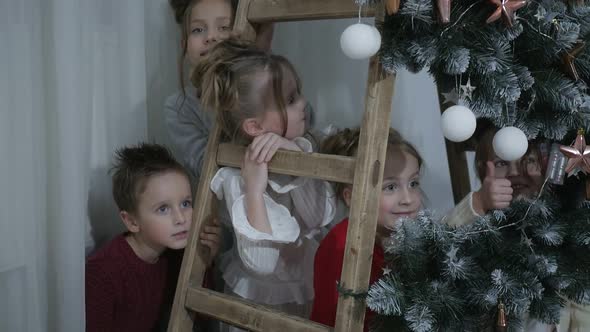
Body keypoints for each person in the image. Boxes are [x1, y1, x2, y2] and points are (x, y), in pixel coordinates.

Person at [194, 37, 336, 330]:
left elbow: (320, 216)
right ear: (255, 127)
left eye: (299, 94)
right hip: (254, 311)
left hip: (302, 298)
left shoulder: (303, 148)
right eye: (291, 99)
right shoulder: (236, 178)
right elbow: (262, 263)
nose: (304, 104)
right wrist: (255, 191)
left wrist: (298, 157)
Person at [85, 143, 221, 332]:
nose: (181, 219)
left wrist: (204, 262)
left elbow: (203, 316)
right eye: (163, 209)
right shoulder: (103, 272)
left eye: (185, 203)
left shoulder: (177, 252)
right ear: (132, 221)